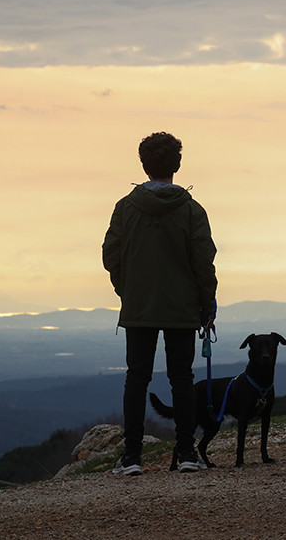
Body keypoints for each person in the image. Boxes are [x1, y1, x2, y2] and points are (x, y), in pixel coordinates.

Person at [102, 131, 218, 475]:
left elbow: (111, 255)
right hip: (182, 309)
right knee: (182, 379)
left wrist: (127, 289)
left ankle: (132, 458)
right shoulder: (192, 211)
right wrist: (206, 303)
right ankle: (186, 454)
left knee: (136, 379)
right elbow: (203, 261)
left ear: (144, 163)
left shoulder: (125, 208)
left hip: (138, 308)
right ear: (177, 165)